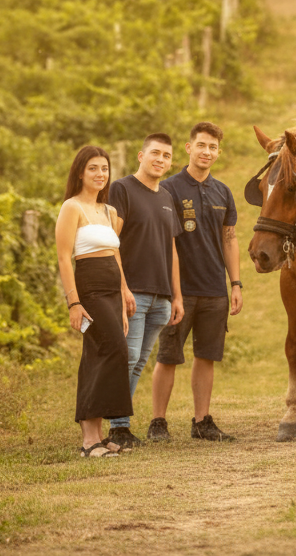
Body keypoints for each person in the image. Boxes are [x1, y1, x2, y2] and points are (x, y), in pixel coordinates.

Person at [151, 122, 243, 441]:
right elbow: (163, 242)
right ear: (189, 148)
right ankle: (158, 422)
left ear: (218, 152)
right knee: (168, 356)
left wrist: (235, 284)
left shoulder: (223, 192)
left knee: (206, 356)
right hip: (178, 291)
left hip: (214, 290)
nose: (207, 152)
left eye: (213, 147)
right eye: (201, 145)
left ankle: (201, 422)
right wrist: (170, 289)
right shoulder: (169, 189)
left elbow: (229, 239)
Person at [104, 133, 186, 451]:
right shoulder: (122, 189)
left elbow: (173, 251)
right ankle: (118, 427)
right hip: (134, 292)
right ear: (141, 155)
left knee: (139, 363)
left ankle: (120, 424)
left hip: (161, 296)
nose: (161, 160)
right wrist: (122, 287)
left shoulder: (166, 196)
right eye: (155, 153)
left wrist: (176, 296)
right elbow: (111, 241)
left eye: (166, 156)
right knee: (129, 358)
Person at [54, 145, 136, 458]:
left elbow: (115, 254)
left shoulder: (109, 211)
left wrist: (125, 291)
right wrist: (73, 303)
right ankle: (88, 440)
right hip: (88, 288)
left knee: (110, 352)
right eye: (93, 168)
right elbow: (63, 258)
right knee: (108, 349)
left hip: (113, 289)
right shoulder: (71, 208)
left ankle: (99, 437)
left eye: (104, 168)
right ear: (80, 172)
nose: (100, 174)